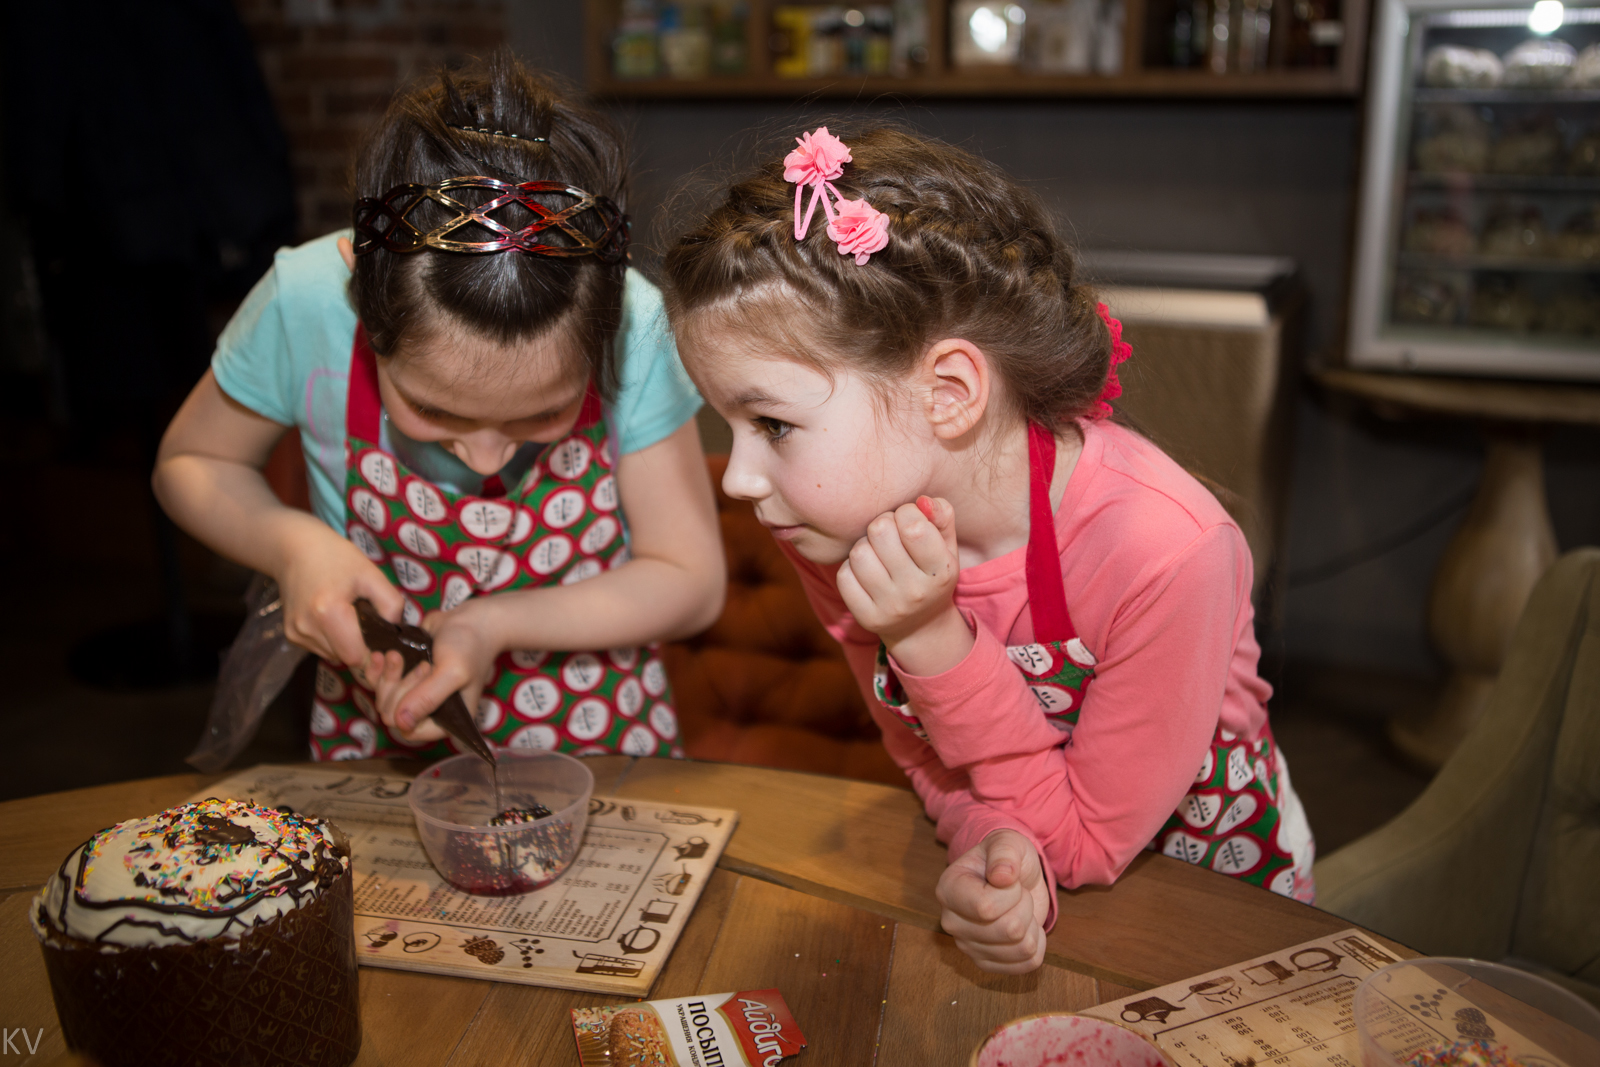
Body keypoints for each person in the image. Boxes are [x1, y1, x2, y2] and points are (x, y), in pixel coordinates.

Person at [660, 126, 1314, 974]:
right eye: (731, 424)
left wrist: (928, 637)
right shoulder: (830, 528)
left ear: (949, 391)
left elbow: (1086, 842)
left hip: (1216, 889)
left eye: (773, 424)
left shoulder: (1168, 550)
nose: (743, 477)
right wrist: (992, 843)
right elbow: (925, 756)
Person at [154, 56, 724, 761]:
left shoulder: (639, 328)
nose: (486, 458)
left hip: (601, 742)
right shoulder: (304, 303)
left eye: (540, 416)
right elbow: (191, 462)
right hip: (377, 740)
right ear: (362, 302)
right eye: (435, 411)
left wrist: (492, 624)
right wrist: (292, 547)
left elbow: (691, 581)